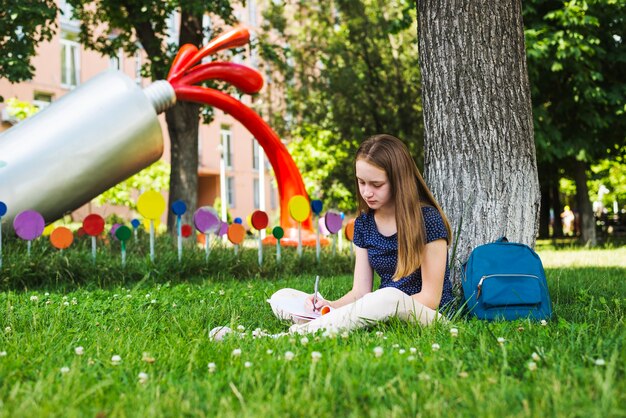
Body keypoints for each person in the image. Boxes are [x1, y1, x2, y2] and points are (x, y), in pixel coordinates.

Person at [271, 134, 454, 335]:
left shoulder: (428, 219)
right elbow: (360, 292)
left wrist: (376, 308)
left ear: (399, 181)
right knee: (282, 296)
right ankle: (323, 318)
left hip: (428, 315)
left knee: (388, 296)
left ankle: (299, 333)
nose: (367, 192)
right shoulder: (364, 223)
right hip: (379, 307)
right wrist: (330, 304)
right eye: (361, 182)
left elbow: (431, 298)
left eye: (376, 185)